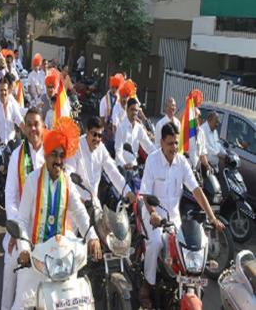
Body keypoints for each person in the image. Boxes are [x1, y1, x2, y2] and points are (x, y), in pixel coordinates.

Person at [12, 117, 101, 310]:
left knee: (76, 301)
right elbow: (21, 220)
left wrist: (92, 236)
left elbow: (79, 212)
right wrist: (24, 249)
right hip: (35, 256)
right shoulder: (32, 180)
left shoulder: (67, 181)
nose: (59, 160)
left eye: (62, 155)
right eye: (54, 155)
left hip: (60, 259)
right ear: (46, 155)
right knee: (21, 304)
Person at [138, 122, 225, 309]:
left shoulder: (182, 162)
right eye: (170, 143)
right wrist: (153, 213)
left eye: (176, 143)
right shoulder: (152, 161)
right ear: (161, 142)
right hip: (153, 216)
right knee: (156, 243)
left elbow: (196, 191)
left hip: (174, 218)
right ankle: (147, 285)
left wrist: (212, 217)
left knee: (188, 248)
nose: (174, 147)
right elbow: (145, 194)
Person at [1, 108, 45, 310]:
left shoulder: (52, 153)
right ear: (24, 128)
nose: (33, 128)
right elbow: (10, 195)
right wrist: (15, 229)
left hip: (46, 227)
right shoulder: (17, 155)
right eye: (29, 124)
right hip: (21, 227)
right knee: (11, 265)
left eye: (36, 123)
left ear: (43, 125)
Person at [66, 116, 136, 205]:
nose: (97, 139)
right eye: (94, 134)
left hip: (94, 204)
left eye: (100, 135)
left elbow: (112, 171)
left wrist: (127, 191)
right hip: (76, 204)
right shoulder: (76, 146)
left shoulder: (101, 148)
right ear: (87, 131)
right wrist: (78, 199)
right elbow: (67, 175)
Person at [0, 77, 25, 214]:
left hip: (11, 144)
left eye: (5, 90)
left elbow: (20, 122)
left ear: (9, 91)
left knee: (23, 164)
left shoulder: (13, 105)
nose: (3, 93)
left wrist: (30, 133)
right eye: (1, 90)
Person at [114, 99, 156, 169]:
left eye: (136, 110)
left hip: (134, 167)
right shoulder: (121, 127)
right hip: (122, 167)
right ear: (127, 110)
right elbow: (118, 151)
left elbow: (149, 146)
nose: (134, 112)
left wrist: (160, 155)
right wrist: (124, 164)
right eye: (132, 109)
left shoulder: (139, 128)